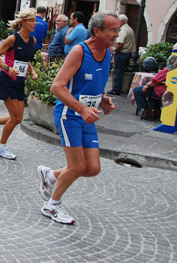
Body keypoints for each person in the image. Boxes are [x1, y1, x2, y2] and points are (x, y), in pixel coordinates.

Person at [37, 12, 119, 225]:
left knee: (92, 168)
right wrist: (82, 109)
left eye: (118, 29)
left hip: (86, 116)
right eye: (113, 30)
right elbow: (57, 87)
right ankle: (52, 205)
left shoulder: (108, 52)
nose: (117, 34)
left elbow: (93, 84)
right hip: (69, 115)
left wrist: (103, 98)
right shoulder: (79, 51)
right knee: (77, 166)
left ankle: (51, 175)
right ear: (97, 31)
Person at [0, 8, 38, 159]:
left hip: (20, 81)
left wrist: (32, 71)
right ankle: (1, 147)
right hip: (7, 80)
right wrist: (7, 68)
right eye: (32, 20)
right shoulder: (12, 39)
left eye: (35, 20)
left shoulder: (32, 40)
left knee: (17, 118)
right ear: (23, 22)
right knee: (16, 117)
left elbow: (26, 60)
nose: (34, 23)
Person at [132, 53, 175, 120]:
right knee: (152, 89)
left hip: (165, 91)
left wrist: (147, 84)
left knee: (137, 90)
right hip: (170, 91)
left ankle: (148, 111)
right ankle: (156, 110)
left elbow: (158, 77)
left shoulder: (172, 68)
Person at [107, 14, 136, 96]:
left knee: (118, 71)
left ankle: (116, 89)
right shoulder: (129, 29)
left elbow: (120, 43)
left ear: (122, 21)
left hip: (122, 53)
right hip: (127, 53)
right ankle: (118, 88)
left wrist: (115, 51)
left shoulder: (123, 30)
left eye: (118, 21)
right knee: (121, 71)